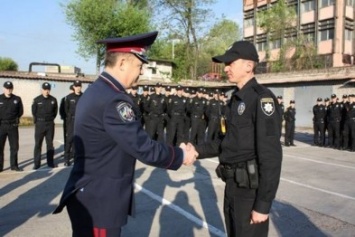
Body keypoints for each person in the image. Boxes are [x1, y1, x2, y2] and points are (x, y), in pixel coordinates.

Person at [53, 31, 198, 237]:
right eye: (139, 66)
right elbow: (142, 147)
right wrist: (181, 155)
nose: (141, 72)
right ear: (122, 63)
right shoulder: (114, 100)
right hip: (99, 203)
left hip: (91, 195)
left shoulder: (98, 90)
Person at [186, 41, 282, 237]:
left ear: (249, 66)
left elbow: (271, 156)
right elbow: (226, 142)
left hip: (250, 191)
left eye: (231, 63)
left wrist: (263, 205)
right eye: (225, 64)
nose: (226, 68)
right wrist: (196, 150)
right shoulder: (234, 100)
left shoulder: (262, 99)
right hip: (232, 186)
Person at [32, 82, 58, 169]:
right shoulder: (37, 100)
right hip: (40, 124)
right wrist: (39, 120)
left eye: (48, 89)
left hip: (50, 124)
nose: (46, 91)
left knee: (50, 144)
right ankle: (37, 163)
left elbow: (55, 112)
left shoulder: (53, 100)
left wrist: (50, 120)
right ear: (42, 90)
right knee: (38, 144)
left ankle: (50, 162)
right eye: (45, 89)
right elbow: (34, 112)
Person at [0, 81, 24, 172]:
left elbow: (20, 111)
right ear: (3, 88)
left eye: (10, 88)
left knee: (14, 147)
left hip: (13, 126)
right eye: (7, 88)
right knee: (0, 147)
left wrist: (15, 119)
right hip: (1, 125)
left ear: (12, 89)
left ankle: (14, 165)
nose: (8, 90)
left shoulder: (17, 99)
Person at [64, 80, 83, 166]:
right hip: (71, 121)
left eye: (79, 86)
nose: (78, 88)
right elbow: (66, 110)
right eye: (76, 86)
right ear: (74, 87)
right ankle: (67, 159)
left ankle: (77, 159)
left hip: (80, 121)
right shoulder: (68, 97)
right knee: (69, 140)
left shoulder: (84, 97)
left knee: (78, 141)